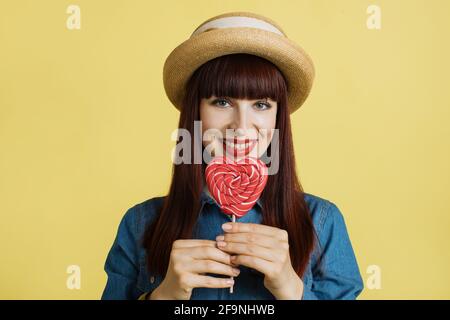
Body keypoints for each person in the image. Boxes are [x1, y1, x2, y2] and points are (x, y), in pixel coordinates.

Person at [101, 11, 364, 300]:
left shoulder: (322, 222)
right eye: (222, 101)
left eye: (261, 104)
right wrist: (164, 295)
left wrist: (292, 288)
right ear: (196, 111)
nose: (241, 126)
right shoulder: (140, 223)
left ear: (278, 118)